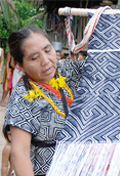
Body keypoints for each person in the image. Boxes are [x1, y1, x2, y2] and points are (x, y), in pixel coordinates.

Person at [3, 25, 85, 176]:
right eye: (34, 58)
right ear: (20, 65)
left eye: (48, 50)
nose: (46, 61)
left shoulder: (65, 70)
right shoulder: (23, 96)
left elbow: (102, 66)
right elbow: (20, 151)